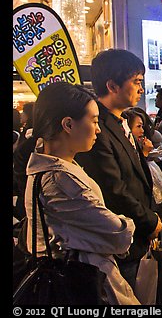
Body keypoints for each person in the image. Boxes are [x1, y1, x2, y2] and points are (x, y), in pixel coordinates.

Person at [23, 81, 139, 305]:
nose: (98, 129)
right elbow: (117, 234)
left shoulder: (52, 168)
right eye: (94, 121)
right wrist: (128, 224)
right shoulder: (60, 180)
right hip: (84, 283)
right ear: (68, 124)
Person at [75, 49, 162, 290]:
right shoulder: (97, 128)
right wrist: (149, 221)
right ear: (112, 86)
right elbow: (114, 190)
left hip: (137, 234)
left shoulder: (121, 121)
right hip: (123, 238)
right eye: (136, 82)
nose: (141, 89)